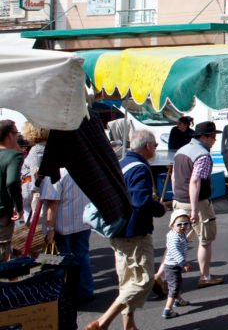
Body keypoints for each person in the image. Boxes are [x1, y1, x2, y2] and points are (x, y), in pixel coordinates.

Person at [87, 130, 167, 330]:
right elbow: (141, 202)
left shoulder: (122, 163)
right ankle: (104, 321)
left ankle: (128, 324)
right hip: (134, 232)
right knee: (143, 281)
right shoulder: (140, 168)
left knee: (127, 280)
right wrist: (159, 208)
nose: (155, 149)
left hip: (117, 229)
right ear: (147, 146)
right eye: (155, 145)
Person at [171, 121, 223, 288]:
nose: (214, 140)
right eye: (213, 137)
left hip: (179, 201)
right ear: (203, 137)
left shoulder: (181, 151)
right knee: (205, 240)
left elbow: (173, 177)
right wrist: (194, 209)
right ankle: (205, 276)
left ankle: (162, 276)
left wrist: (176, 197)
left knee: (177, 240)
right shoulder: (202, 155)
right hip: (197, 204)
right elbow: (195, 181)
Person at [41, 168, 94, 302]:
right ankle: (85, 291)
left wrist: (49, 228)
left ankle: (56, 294)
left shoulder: (56, 172)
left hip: (62, 225)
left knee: (57, 260)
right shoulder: (84, 167)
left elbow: (52, 203)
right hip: (83, 221)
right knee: (82, 256)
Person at [161, 210, 193, 319]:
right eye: (179, 224)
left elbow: (188, 236)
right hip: (172, 266)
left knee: (177, 283)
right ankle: (167, 309)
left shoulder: (180, 233)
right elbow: (174, 250)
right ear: (172, 225)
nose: (183, 226)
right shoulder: (174, 237)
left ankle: (178, 300)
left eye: (185, 224)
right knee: (174, 287)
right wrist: (183, 263)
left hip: (175, 265)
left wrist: (193, 225)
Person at [0, 119, 23, 262]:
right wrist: (18, 207)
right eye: (16, 133)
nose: (17, 137)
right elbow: (12, 182)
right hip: (3, 213)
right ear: (9, 135)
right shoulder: (13, 156)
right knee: (2, 252)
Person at [20, 122, 47, 225]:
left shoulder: (36, 150)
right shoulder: (46, 148)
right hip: (42, 188)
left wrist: (35, 190)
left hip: (31, 188)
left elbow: (35, 173)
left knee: (31, 220)